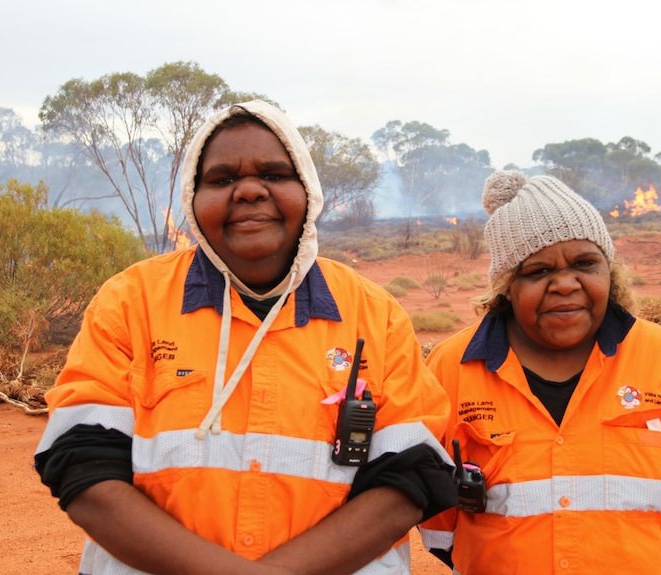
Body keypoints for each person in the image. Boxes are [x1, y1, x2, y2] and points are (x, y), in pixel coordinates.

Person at [34, 100, 456, 575]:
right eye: (221, 179)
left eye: (275, 174)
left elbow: (410, 477)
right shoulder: (130, 303)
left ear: (309, 192)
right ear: (193, 200)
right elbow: (81, 466)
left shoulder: (375, 315)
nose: (249, 191)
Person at [419, 172, 661, 574]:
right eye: (538, 271)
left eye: (585, 263)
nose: (565, 284)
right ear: (506, 286)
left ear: (609, 272)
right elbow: (438, 523)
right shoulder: (451, 369)